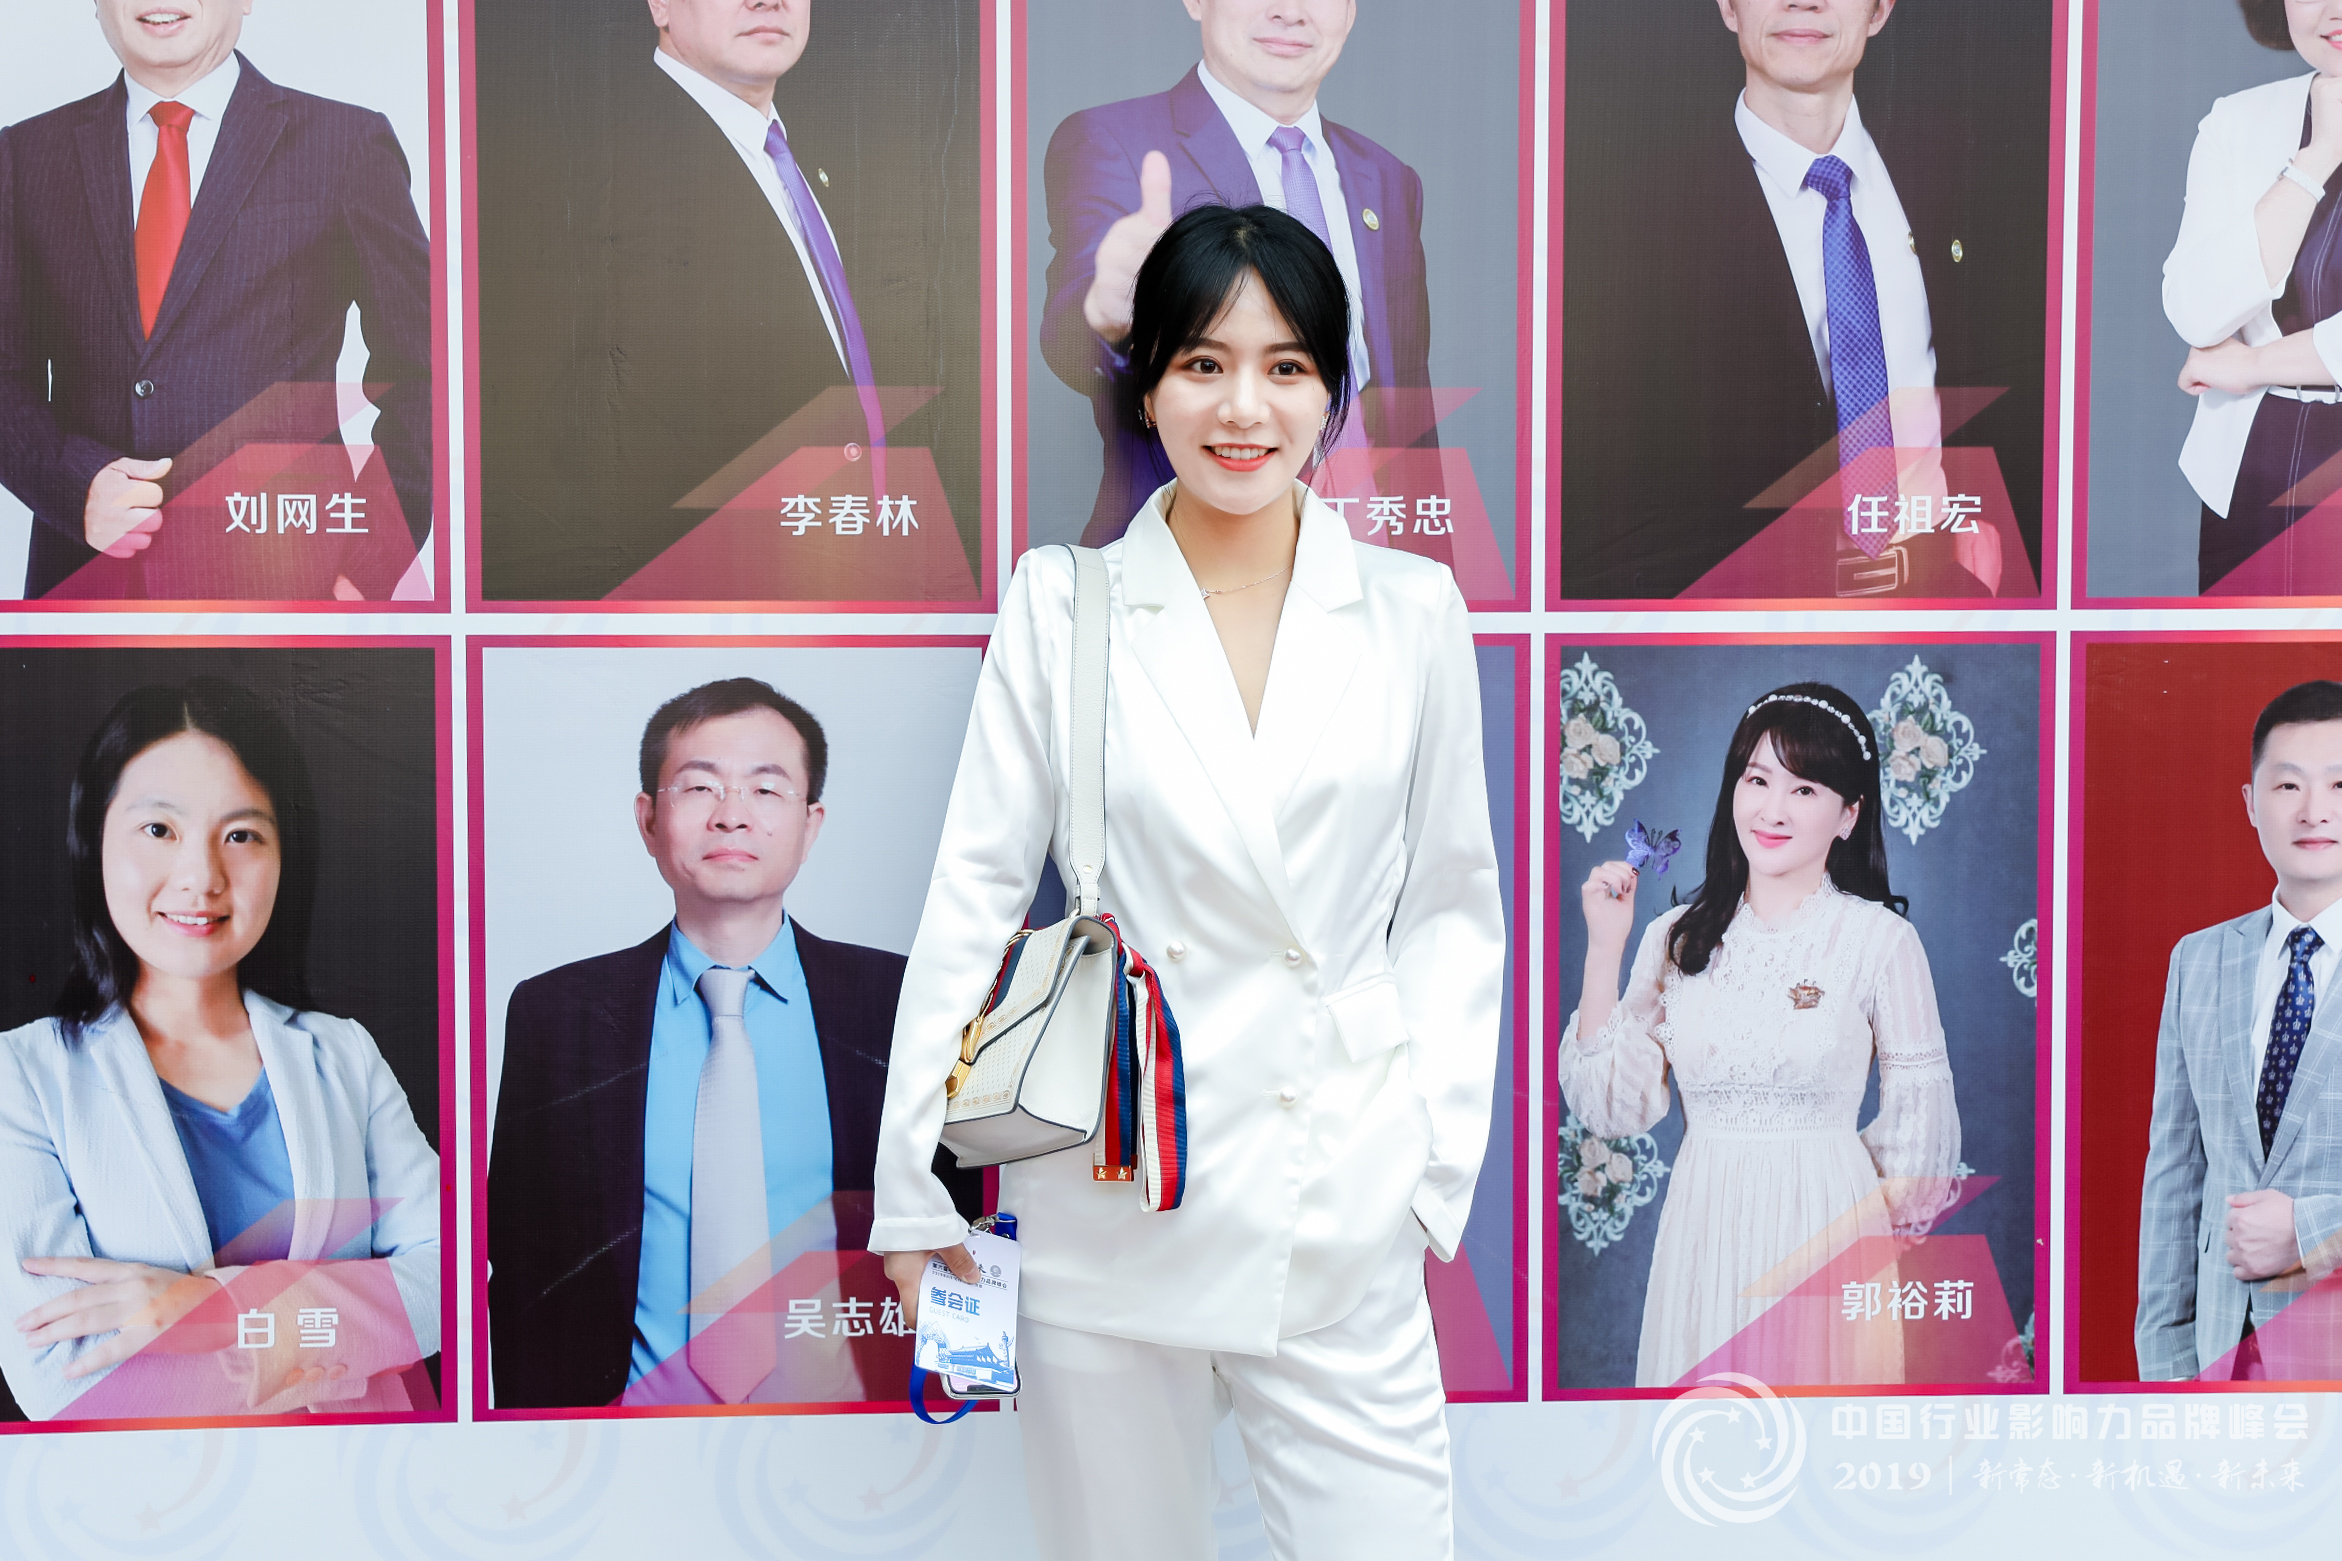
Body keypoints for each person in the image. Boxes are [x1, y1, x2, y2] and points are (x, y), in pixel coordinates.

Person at [874, 204, 1504, 1561]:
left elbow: (1453, 907)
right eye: (1203, 363)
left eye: (1285, 366)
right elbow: (973, 901)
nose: (1242, 408)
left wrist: (1427, 1174)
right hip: (1110, 1195)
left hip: (1339, 1194)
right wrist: (913, 1192)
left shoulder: (1409, 610)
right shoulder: (1063, 604)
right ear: (1146, 383)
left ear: (1331, 392)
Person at [488, 678, 981, 1410]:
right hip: (620, 1437)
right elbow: (522, 1260)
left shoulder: (904, 1004)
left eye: (765, 790)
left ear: (811, 824)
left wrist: (960, 1410)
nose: (731, 815)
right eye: (699, 787)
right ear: (648, 819)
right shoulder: (557, 1013)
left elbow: (966, 1224)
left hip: (865, 1432)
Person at [0, 679, 439, 1421]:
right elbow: (65, 1383)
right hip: (160, 1494)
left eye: (241, 835)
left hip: (364, 1479)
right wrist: (331, 1345)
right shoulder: (22, 1077)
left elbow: (450, 1286)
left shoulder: (343, 1054)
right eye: (159, 829)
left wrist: (218, 1309)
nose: (201, 877)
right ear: (94, 840)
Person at [475, 0, 978, 602]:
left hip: (858, 578)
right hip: (697, 608)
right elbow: (534, 457)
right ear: (659, 5)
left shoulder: (825, 159)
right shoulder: (582, 174)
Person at [1561, 0, 2039, 600]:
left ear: (1880, 10)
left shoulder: (1955, 175)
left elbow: (2010, 384)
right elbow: (1607, 499)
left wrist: (1982, 540)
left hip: (1942, 598)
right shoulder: (1637, 219)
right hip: (1741, 614)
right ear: (1728, 6)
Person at [1563, 683, 1961, 1387]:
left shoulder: (1880, 942)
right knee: (1705, 1443)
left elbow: (1919, 1136)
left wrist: (1844, 1203)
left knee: (1820, 1437)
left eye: (1804, 789)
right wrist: (1605, 947)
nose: (1773, 809)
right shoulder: (1675, 938)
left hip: (1830, 1233)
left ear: (1848, 814)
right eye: (1757, 780)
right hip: (1703, 1231)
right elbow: (1611, 1106)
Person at [0, 0, 433, 599]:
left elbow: (426, 365)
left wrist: (374, 555)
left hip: (293, 584)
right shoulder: (25, 156)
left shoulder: (346, 144)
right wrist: (72, 488)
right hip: (88, 587)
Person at [1039, 0, 1435, 545]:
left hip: (1368, 547)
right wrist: (1106, 314)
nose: (1290, 11)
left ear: (1350, 11)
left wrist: (1429, 558)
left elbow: (1407, 398)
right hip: (1184, 557)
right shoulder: (1113, 140)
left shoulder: (1387, 178)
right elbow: (1072, 329)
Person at [2137, 680, 2342, 1381]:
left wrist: (2309, 1232)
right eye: (2288, 785)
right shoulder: (2198, 960)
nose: (2314, 811)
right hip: (2220, 1364)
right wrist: (2168, 1371)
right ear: (2252, 803)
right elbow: (2174, 1175)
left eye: (2339, 784)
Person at [2167, 0, 2342, 593]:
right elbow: (2197, 313)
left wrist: (2254, 364)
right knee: (2247, 655)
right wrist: (2315, 160)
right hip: (2250, 470)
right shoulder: (2237, 121)